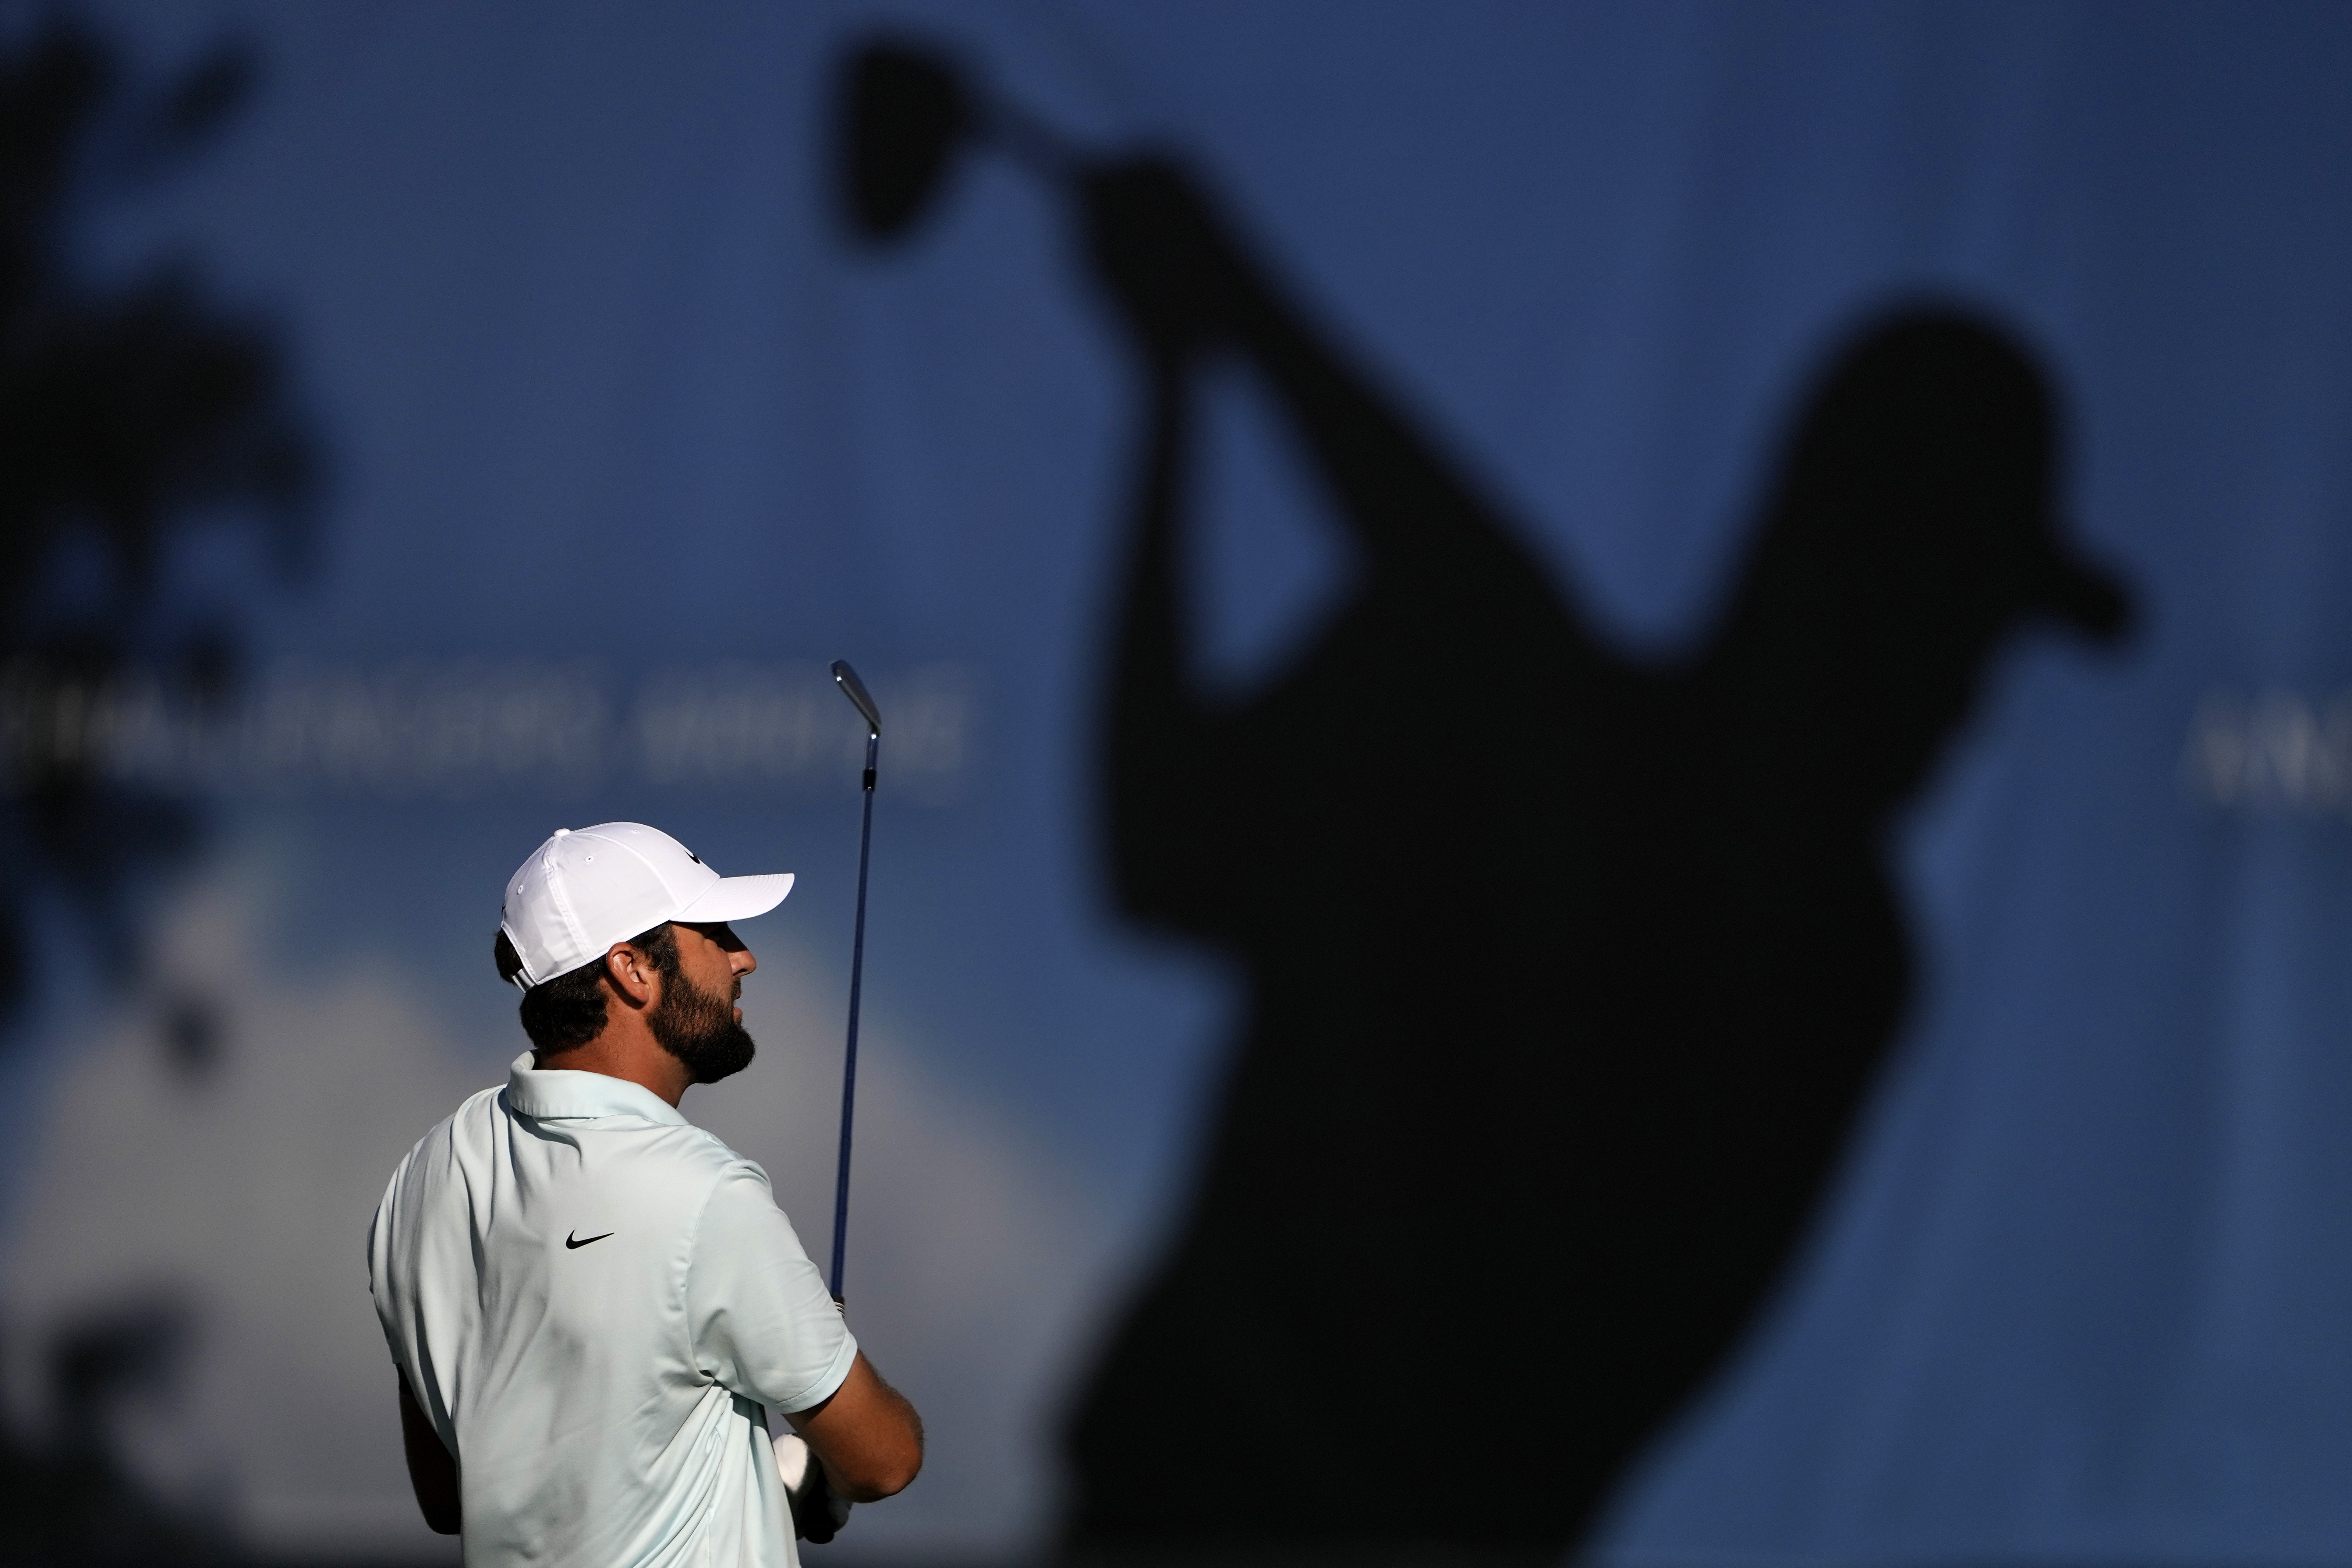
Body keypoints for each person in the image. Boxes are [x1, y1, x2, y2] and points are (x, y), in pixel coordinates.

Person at [367, 821, 922, 1565]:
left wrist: (760, 1478)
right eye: (713, 932)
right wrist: (816, 1433)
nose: (743, 957)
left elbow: (450, 1498)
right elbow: (884, 1459)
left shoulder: (421, 1178)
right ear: (631, 968)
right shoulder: (705, 1193)